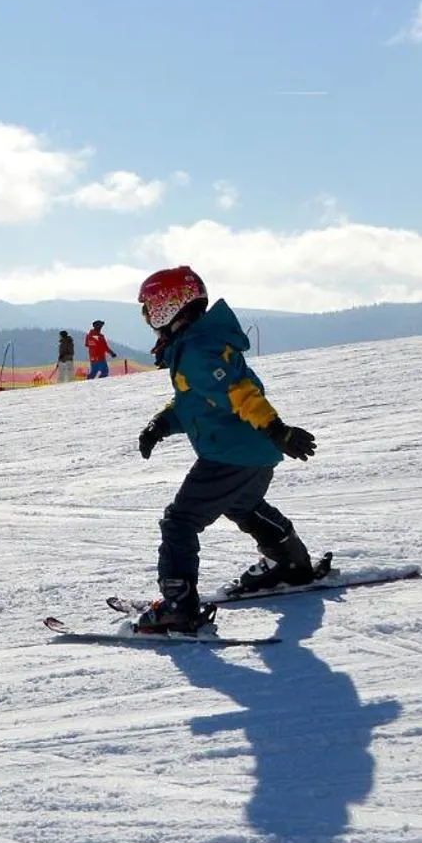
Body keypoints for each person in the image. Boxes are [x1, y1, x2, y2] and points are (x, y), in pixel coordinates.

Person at [132, 265, 321, 634]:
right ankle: (290, 563)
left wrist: (277, 428)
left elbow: (240, 394)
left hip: (230, 454)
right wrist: (161, 424)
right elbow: (196, 403)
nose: (150, 320)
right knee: (242, 505)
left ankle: (177, 605)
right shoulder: (198, 344)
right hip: (254, 452)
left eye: (152, 310)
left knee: (180, 521)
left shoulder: (198, 350)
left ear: (172, 307)